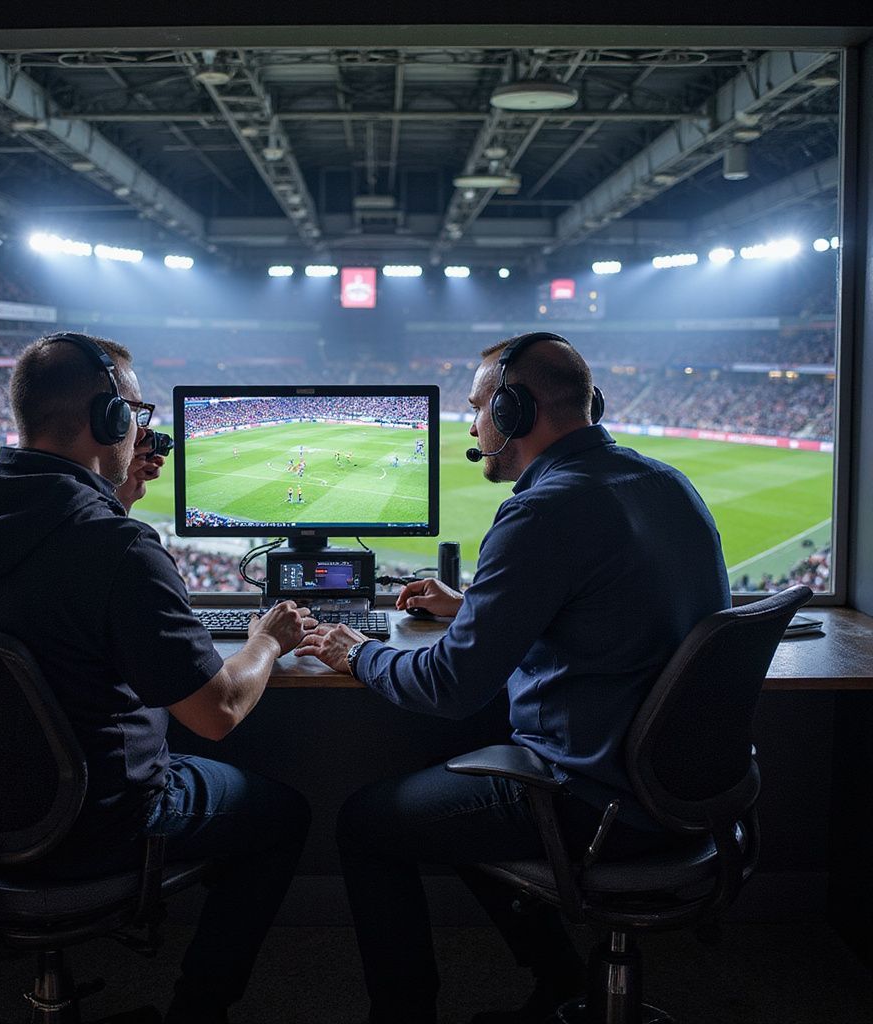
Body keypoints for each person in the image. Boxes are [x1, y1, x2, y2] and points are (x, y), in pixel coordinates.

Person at [296, 334, 730, 1024]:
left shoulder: (542, 510)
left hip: (595, 800)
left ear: (514, 410)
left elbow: (449, 686)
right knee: (454, 768)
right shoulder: (667, 482)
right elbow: (608, 608)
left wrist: (356, 652)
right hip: (684, 791)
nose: (472, 427)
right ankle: (559, 981)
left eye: (478, 408)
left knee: (365, 824)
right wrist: (476, 607)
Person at [0, 332, 315, 1024]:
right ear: (111, 418)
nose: (140, 428)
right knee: (284, 816)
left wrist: (111, 498)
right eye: (136, 412)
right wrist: (266, 642)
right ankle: (198, 1009)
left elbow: (40, 581)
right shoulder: (116, 547)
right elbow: (216, 713)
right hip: (100, 825)